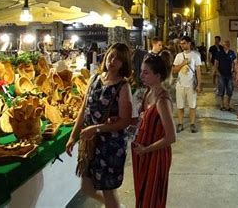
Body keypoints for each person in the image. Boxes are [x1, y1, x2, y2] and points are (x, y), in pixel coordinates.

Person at [66, 43, 133, 208]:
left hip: (110, 145)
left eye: (119, 59)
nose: (113, 60)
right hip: (91, 143)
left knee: (108, 190)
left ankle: (113, 206)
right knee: (86, 187)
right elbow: (84, 108)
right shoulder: (95, 78)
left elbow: (125, 120)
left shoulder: (123, 87)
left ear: (124, 63)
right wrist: (72, 136)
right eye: (112, 55)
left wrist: (96, 128)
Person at [132, 53, 176, 208]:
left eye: (146, 72)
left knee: (152, 197)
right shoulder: (149, 93)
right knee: (143, 195)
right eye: (141, 71)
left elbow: (171, 137)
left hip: (156, 153)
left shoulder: (162, 100)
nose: (141, 75)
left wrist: (146, 149)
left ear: (157, 76)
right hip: (143, 151)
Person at [172, 36, 202, 133]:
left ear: (189, 43)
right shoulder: (178, 56)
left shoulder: (195, 56)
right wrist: (182, 64)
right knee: (180, 105)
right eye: (181, 43)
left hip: (191, 85)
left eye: (184, 43)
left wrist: (199, 85)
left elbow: (198, 71)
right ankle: (180, 123)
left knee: (192, 105)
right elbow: (174, 70)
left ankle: (192, 124)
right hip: (180, 85)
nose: (182, 45)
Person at [214, 40, 236, 111]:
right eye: (226, 44)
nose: (227, 45)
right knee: (221, 90)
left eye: (228, 44)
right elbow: (216, 63)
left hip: (229, 75)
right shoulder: (219, 53)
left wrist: (234, 71)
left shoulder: (231, 53)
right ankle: (222, 105)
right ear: (223, 46)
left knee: (230, 90)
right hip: (221, 74)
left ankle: (227, 105)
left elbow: (234, 62)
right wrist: (217, 72)